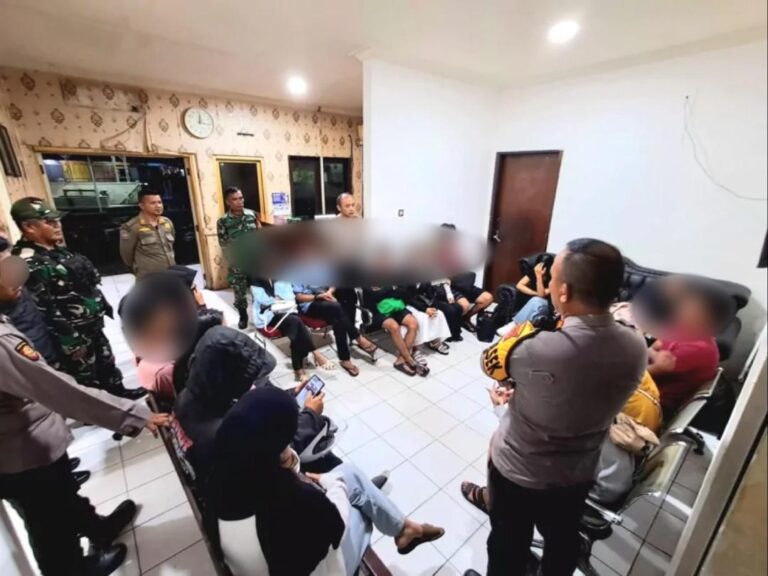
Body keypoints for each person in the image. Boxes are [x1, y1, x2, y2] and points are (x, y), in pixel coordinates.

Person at [463, 238, 647, 576]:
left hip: (520, 470)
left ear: (563, 292)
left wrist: (521, 331)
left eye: (551, 277)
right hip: (578, 472)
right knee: (561, 543)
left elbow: (489, 363)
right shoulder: (635, 346)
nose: (546, 283)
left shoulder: (537, 346)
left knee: (507, 544)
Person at [0, 251, 170, 576]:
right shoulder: (2, 342)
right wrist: (134, 415)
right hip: (21, 456)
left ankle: (98, 529)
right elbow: (59, 390)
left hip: (28, 444)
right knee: (49, 525)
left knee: (63, 496)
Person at [211, 386, 445, 576]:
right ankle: (396, 522)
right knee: (358, 500)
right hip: (324, 568)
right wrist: (333, 484)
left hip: (263, 559)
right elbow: (337, 527)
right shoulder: (293, 501)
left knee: (350, 474)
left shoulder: (224, 474)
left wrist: (291, 462)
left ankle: (404, 527)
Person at [11, 197, 144, 400]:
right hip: (70, 334)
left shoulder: (57, 251)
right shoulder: (27, 261)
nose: (58, 226)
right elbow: (44, 309)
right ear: (29, 227)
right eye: (49, 222)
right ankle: (98, 408)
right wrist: (70, 341)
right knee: (84, 375)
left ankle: (117, 393)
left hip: (90, 325)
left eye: (57, 221)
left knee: (105, 361)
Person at [646, 279, 725, 415]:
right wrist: (654, 355)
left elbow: (641, 375)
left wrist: (653, 356)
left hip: (655, 403)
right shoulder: (684, 330)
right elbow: (653, 348)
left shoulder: (698, 349)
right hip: (647, 386)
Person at [251, 278, 335, 380]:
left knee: (295, 325)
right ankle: (315, 353)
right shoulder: (255, 280)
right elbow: (262, 299)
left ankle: (299, 368)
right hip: (267, 316)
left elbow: (289, 296)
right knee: (296, 323)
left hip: (286, 310)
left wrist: (277, 300)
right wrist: (277, 300)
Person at [293, 283, 379, 377]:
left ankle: (345, 359)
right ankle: (357, 337)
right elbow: (299, 298)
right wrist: (318, 297)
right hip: (310, 304)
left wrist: (329, 293)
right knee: (337, 308)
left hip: (326, 300)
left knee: (338, 319)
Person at [217, 186, 261, 329]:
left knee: (259, 288)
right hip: (238, 261)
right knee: (239, 291)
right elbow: (223, 243)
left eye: (241, 198)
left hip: (256, 260)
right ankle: (243, 316)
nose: (239, 202)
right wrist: (233, 260)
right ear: (228, 202)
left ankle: (262, 315)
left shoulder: (252, 215)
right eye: (235, 199)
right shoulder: (223, 221)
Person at [362, 286, 428, 377]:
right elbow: (371, 299)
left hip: (395, 306)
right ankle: (409, 359)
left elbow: (401, 292)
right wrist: (390, 290)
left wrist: (384, 292)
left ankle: (401, 359)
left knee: (413, 324)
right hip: (377, 311)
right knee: (394, 327)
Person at [119, 188, 176, 277]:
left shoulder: (166, 222)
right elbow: (127, 256)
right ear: (142, 206)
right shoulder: (131, 227)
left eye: (159, 202)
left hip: (171, 273)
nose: (158, 206)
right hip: (148, 276)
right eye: (153, 203)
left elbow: (171, 245)